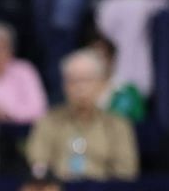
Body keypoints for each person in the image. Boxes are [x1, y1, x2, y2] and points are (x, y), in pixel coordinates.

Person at [25, 49, 140, 180]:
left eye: (87, 80)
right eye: (73, 81)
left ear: (101, 84)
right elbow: (38, 166)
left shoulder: (118, 125)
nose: (80, 88)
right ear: (64, 86)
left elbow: (126, 172)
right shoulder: (48, 122)